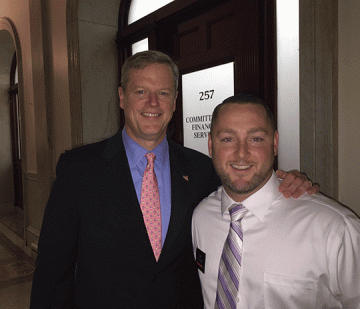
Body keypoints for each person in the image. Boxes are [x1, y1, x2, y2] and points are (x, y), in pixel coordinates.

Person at [30, 51, 318, 309]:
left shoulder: (203, 169)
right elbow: (53, 272)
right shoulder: (79, 169)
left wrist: (286, 180)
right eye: (141, 91)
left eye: (164, 93)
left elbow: (246, 186)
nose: (153, 102)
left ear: (175, 101)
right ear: (121, 97)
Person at [192, 93, 360, 308]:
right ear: (210, 145)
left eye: (256, 139)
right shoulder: (201, 217)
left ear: (274, 143)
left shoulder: (334, 228)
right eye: (227, 139)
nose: (241, 154)